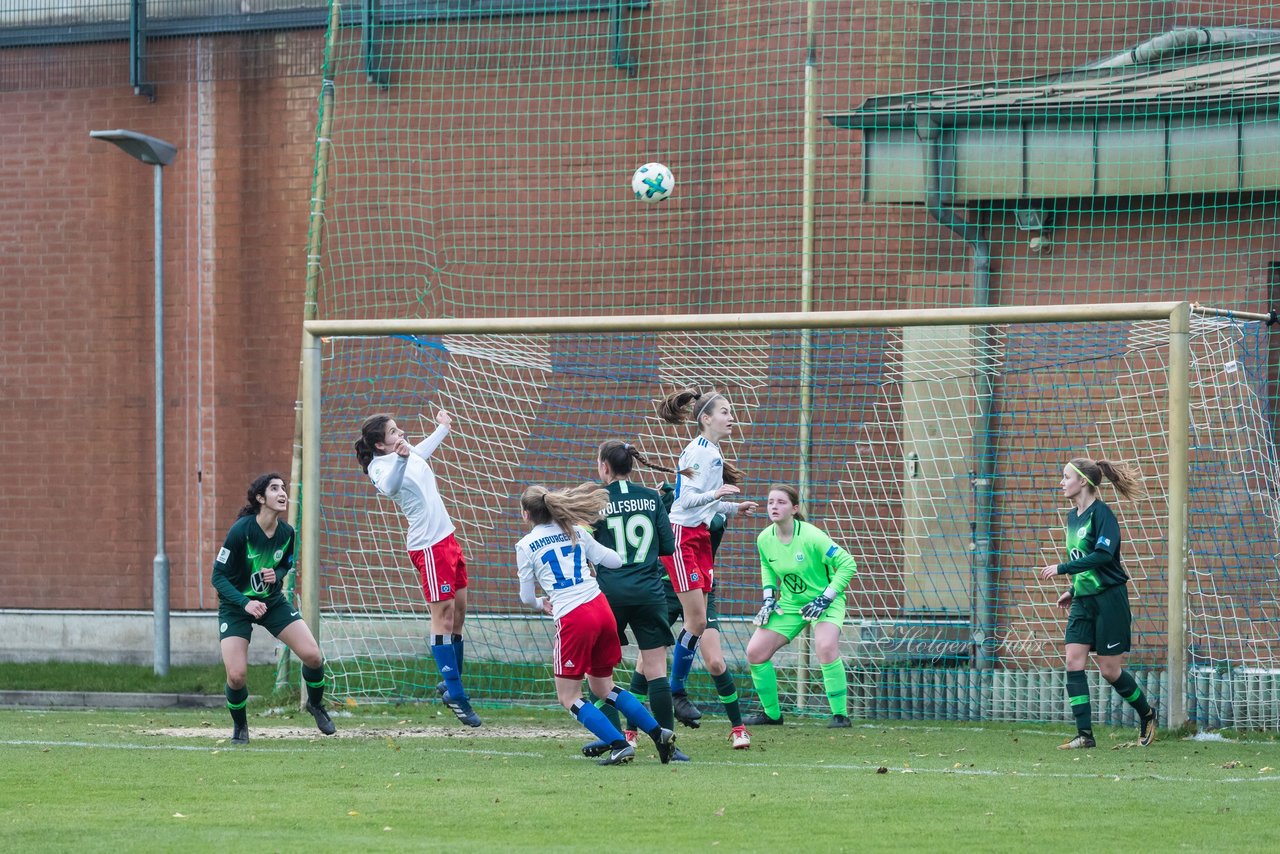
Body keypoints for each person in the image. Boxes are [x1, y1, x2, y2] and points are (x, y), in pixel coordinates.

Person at [515, 483, 677, 766]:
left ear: (526, 514)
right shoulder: (576, 532)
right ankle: (657, 731)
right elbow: (614, 561)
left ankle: (618, 743)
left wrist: (542, 603)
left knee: (569, 696)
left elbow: (526, 596)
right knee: (604, 687)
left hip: (574, 616)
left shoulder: (526, 545)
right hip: (601, 608)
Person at [355, 410, 479, 727]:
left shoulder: (405, 453)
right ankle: (456, 694)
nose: (401, 434)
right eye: (394, 432)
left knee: (460, 612)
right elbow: (392, 486)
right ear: (381, 444)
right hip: (428, 547)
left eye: (399, 429)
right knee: (444, 616)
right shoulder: (379, 468)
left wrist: (443, 428)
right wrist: (400, 457)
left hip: (447, 539)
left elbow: (419, 454)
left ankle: (452, 683)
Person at [657, 388, 758, 749]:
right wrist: (717, 496)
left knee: (697, 624)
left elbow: (705, 506)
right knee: (696, 622)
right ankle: (675, 690)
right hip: (682, 538)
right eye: (726, 412)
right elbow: (684, 501)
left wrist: (735, 507)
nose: (731, 417)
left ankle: (675, 692)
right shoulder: (698, 451)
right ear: (706, 418)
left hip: (697, 536)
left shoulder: (713, 451)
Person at [580, 440, 688, 760]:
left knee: (598, 673)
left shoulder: (594, 501)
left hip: (609, 595)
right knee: (656, 669)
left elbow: (585, 545)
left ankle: (614, 741)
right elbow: (667, 548)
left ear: (604, 467)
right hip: (649, 592)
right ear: (632, 465)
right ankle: (668, 745)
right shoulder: (653, 497)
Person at [1039, 456, 1157, 749]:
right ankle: (1085, 736)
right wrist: (1073, 589)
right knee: (1073, 660)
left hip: (1109, 599)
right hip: (1084, 599)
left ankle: (1147, 714)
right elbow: (1084, 560)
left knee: (1109, 670)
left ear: (1083, 481)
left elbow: (1104, 557)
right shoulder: (1071, 517)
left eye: (1066, 477)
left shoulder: (1102, 514)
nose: (1061, 482)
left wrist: (1063, 569)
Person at [213, 473, 336, 745]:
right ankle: (240, 726)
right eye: (275, 488)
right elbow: (217, 577)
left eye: (284, 488)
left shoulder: (286, 532)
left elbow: (286, 563)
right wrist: (245, 602)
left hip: (271, 603)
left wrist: (276, 574)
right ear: (260, 498)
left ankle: (315, 705)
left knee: (313, 656)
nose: (283, 493)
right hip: (236, 607)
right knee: (236, 676)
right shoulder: (241, 531)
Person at [742, 485, 859, 728]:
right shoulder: (764, 538)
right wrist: (768, 598)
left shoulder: (812, 536)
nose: (774, 506)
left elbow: (848, 564)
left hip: (825, 601)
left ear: (795, 509)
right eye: (771, 502)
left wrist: (825, 598)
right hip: (791, 604)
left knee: (826, 647)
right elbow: (767, 567)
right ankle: (772, 715)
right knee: (755, 652)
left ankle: (840, 716)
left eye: (781, 502)